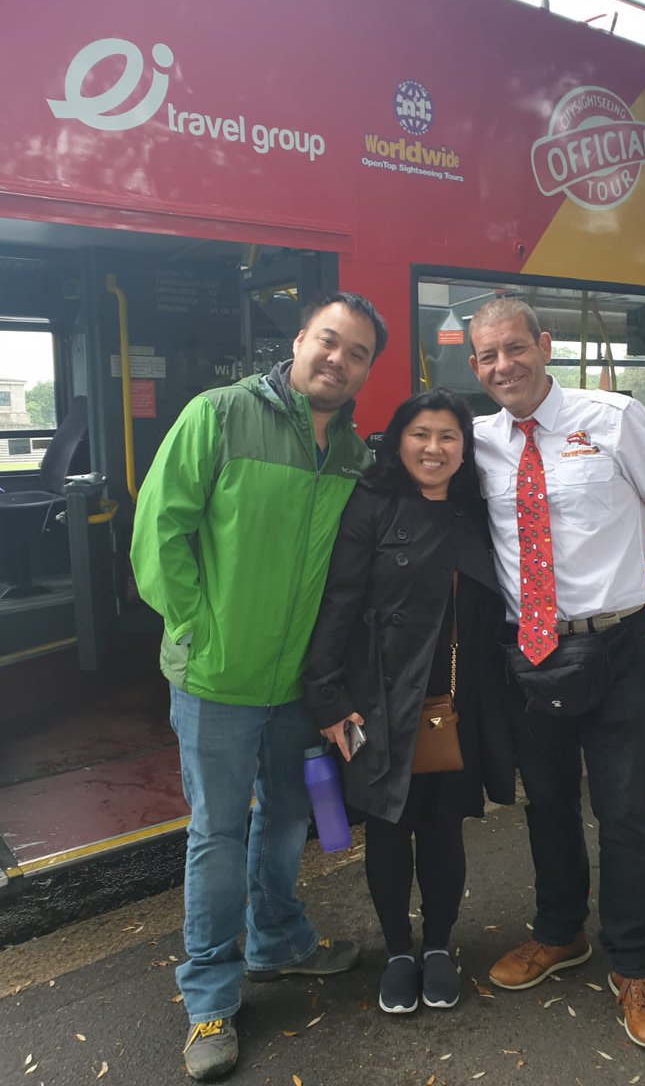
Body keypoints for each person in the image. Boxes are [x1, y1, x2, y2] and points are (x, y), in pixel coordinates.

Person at [130, 292, 388, 1081]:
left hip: (299, 689)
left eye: (356, 354)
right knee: (217, 833)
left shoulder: (355, 458)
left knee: (285, 817)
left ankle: (278, 941)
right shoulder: (219, 415)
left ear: (366, 371)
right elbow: (158, 528)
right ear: (301, 340)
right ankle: (209, 995)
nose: (337, 361)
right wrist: (198, 631)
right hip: (215, 680)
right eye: (328, 342)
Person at [467, 298, 645, 1051]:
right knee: (550, 803)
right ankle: (560, 932)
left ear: (544, 345)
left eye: (515, 348)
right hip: (529, 655)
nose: (504, 365)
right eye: (488, 356)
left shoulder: (615, 417)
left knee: (625, 811)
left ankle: (632, 965)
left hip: (618, 646)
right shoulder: (478, 441)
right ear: (475, 367)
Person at [304, 387, 515, 1016]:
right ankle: (399, 951)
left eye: (448, 436)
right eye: (420, 434)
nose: (434, 448)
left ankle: (441, 947)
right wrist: (328, 698)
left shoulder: (477, 508)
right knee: (390, 834)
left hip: (455, 698)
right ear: (398, 441)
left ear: (464, 447)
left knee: (444, 830)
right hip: (378, 700)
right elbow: (337, 604)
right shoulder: (371, 504)